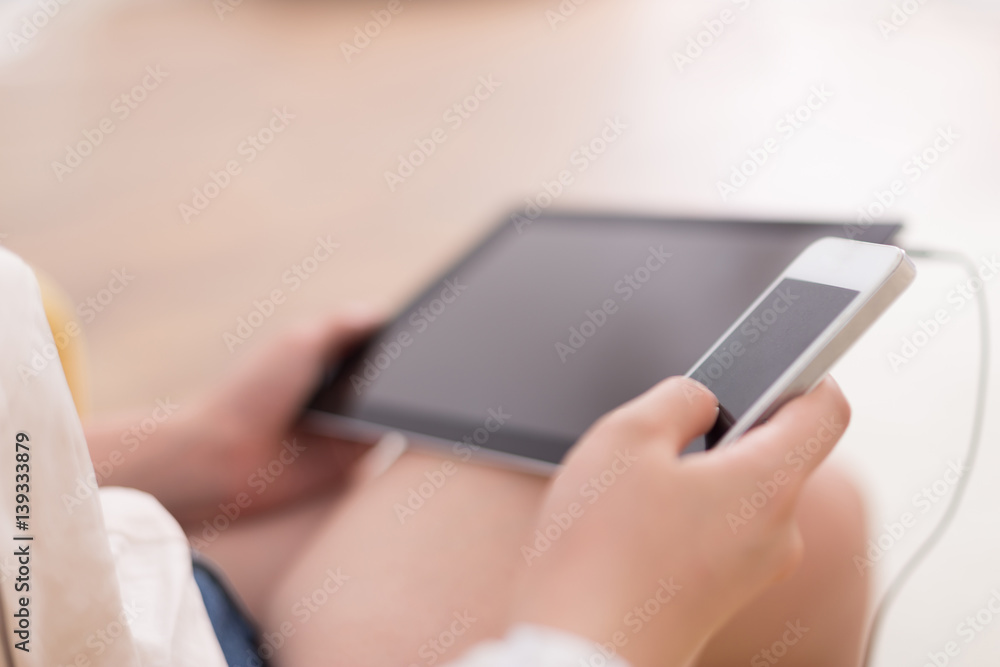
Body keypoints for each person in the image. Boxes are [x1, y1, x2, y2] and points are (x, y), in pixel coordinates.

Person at [83, 309, 869, 667]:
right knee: (788, 515)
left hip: (74, 588)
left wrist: (185, 450)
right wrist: (602, 633)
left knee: (799, 508)